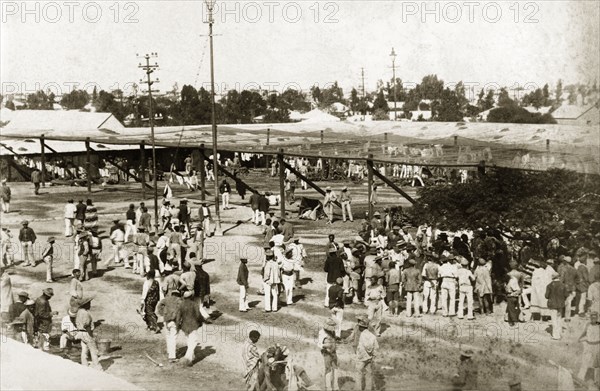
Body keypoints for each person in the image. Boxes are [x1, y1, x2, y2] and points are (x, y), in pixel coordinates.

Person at [176, 291, 204, 366]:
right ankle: (188, 358)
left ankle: (191, 356)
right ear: (191, 296)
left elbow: (178, 317)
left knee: (189, 341)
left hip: (184, 326)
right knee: (194, 341)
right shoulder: (194, 304)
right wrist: (201, 321)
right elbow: (198, 315)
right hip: (193, 325)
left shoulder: (181, 305)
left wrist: (178, 325)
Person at [73, 296, 101, 369]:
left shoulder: (78, 312)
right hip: (86, 332)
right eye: (89, 303)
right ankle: (97, 366)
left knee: (84, 349)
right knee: (93, 350)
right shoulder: (85, 313)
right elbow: (87, 325)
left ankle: (84, 364)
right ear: (85, 305)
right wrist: (91, 335)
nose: (90, 305)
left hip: (80, 333)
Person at [157, 290, 182, 363]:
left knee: (168, 337)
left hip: (166, 320)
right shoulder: (179, 301)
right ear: (178, 294)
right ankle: (172, 357)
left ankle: (169, 352)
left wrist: (162, 313)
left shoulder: (166, 299)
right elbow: (180, 312)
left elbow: (159, 306)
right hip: (174, 321)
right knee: (173, 338)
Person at [354, 315, 378, 391]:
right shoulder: (372, 336)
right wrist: (373, 355)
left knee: (358, 374)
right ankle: (368, 389)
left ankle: (358, 389)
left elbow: (358, 346)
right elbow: (376, 347)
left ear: (361, 327)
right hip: (369, 358)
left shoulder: (361, 336)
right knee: (369, 374)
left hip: (361, 358)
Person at [577, 311, 600, 383]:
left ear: (597, 317)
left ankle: (597, 381)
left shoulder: (599, 325)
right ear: (590, 317)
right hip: (589, 345)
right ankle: (580, 379)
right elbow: (584, 332)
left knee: (597, 364)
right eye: (592, 316)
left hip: (597, 346)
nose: (593, 318)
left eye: (595, 317)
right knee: (585, 362)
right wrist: (579, 339)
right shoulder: (588, 324)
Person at [318, 319, 339, 390]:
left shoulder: (332, 331)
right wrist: (326, 346)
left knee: (335, 368)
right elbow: (319, 344)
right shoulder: (321, 332)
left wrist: (334, 345)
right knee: (328, 369)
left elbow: (334, 340)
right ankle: (328, 387)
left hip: (333, 351)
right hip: (326, 353)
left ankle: (336, 386)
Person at [546, 271, 567, 340]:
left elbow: (546, 296)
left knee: (554, 319)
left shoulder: (549, 285)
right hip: (560, 304)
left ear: (552, 278)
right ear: (558, 277)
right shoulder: (563, 285)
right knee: (559, 318)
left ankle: (556, 335)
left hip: (552, 304)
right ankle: (559, 332)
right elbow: (566, 295)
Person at [558, 256, 577, 322]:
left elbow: (561, 279)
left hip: (565, 287)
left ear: (565, 261)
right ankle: (567, 318)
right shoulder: (574, 269)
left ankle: (560, 315)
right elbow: (577, 279)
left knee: (562, 301)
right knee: (569, 303)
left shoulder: (564, 269)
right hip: (572, 288)